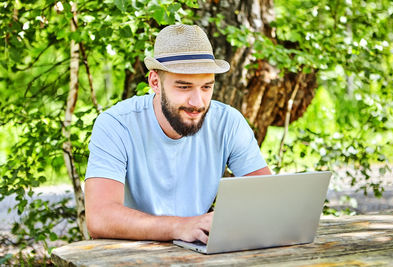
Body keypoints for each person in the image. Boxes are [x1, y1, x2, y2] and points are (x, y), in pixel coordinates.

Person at [84, 24, 272, 244]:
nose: (197, 102)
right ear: (155, 82)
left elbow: (267, 198)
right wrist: (180, 226)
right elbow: (99, 217)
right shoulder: (116, 124)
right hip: (132, 255)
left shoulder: (228, 122)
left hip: (198, 252)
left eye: (206, 87)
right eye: (184, 87)